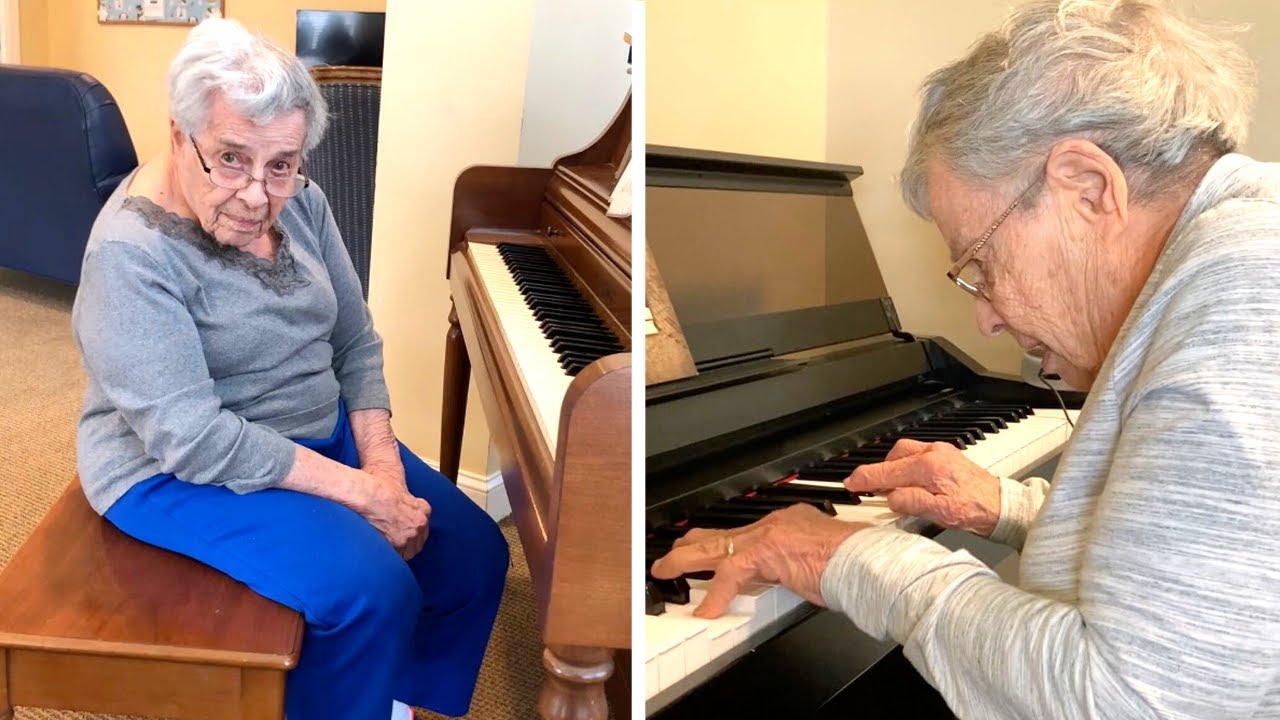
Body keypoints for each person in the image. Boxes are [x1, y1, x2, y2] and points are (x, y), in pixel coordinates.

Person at [651, 1, 1280, 717]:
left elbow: (1129, 700)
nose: (983, 317)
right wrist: (1009, 506)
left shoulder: (1246, 292)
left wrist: (842, 557)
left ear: (1089, 187)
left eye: (981, 261)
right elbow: (1200, 572)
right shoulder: (1235, 255)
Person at [71, 19, 508, 720]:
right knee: (371, 590)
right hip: (173, 468)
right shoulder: (131, 255)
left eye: (282, 163)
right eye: (232, 158)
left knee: (475, 554)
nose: (257, 194)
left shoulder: (302, 202)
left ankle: (396, 700)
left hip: (316, 431)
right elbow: (194, 438)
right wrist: (365, 498)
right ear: (180, 136)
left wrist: (385, 472)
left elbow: (356, 343)